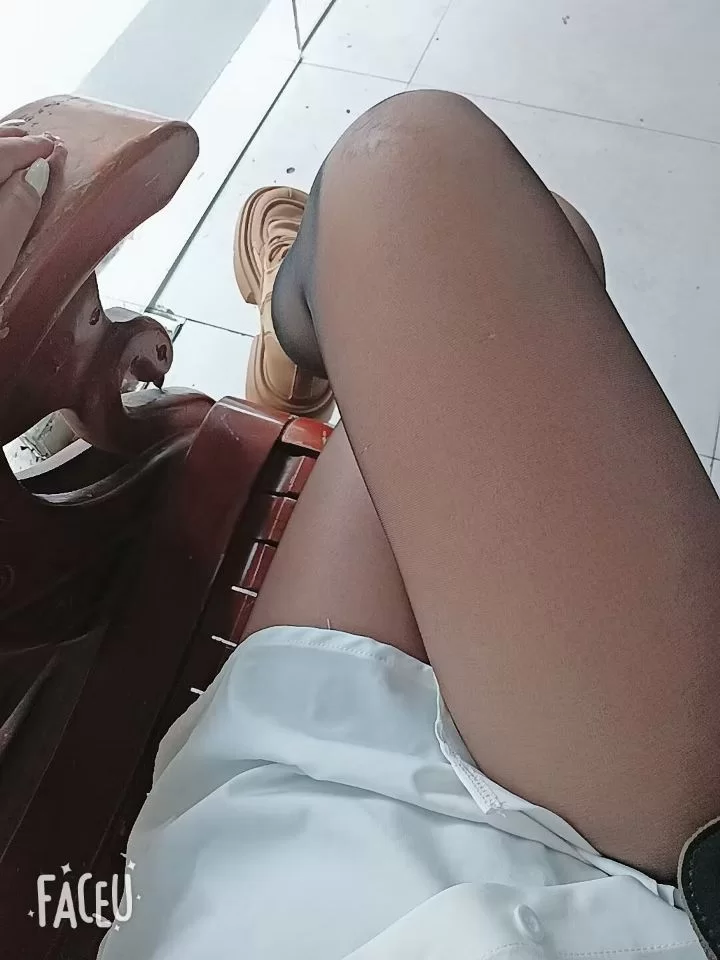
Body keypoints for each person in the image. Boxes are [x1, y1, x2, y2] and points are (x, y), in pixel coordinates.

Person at [2, 95, 716, 959]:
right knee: (439, 203)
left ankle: (311, 320)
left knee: (463, 250)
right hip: (587, 892)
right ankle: (308, 317)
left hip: (301, 888)